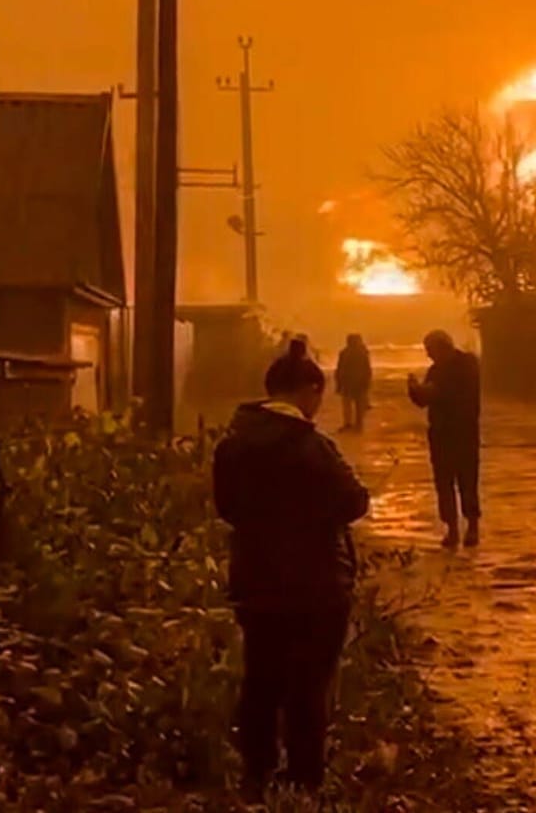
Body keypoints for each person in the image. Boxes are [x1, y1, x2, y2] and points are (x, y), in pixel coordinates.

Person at [212, 339, 371, 797]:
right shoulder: (313, 446)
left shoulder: (233, 446)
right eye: (318, 395)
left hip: (256, 580)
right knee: (308, 686)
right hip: (316, 584)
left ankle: (256, 773)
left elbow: (227, 508)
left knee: (261, 678)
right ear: (308, 390)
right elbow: (353, 501)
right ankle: (304, 780)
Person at [407, 329, 482, 548]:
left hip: (463, 431)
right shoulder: (436, 370)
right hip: (441, 433)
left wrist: (423, 390)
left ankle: (472, 526)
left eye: (430, 350)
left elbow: (440, 393)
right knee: (444, 483)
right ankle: (453, 529)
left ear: (443, 347)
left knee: (467, 480)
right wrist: (414, 390)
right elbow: (423, 401)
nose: (429, 355)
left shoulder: (466, 365)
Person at [334, 333, 373, 434]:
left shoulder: (346, 353)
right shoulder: (362, 353)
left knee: (350, 405)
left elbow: (339, 369)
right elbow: (367, 369)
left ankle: (350, 424)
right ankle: (357, 425)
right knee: (357, 405)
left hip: (350, 382)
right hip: (356, 382)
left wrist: (338, 383)